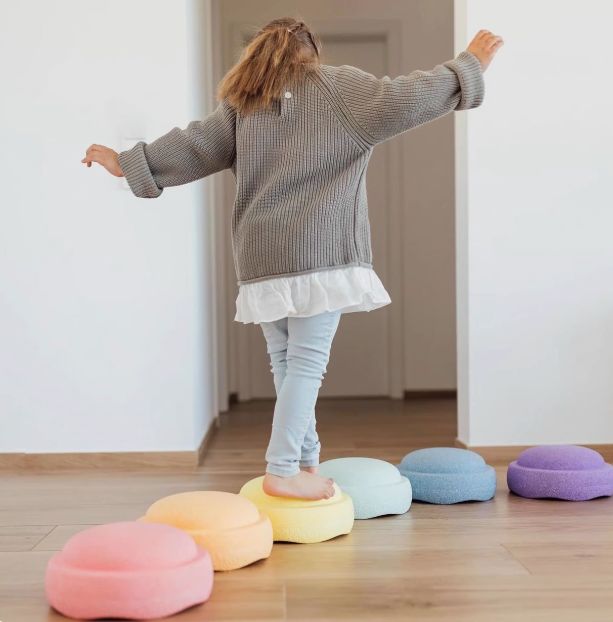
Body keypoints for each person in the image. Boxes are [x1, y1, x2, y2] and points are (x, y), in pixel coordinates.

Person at [81, 17, 503, 500]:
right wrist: (469, 66)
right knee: (306, 365)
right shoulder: (340, 88)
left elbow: (193, 144)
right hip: (318, 253)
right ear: (311, 52)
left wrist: (128, 162)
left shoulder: (243, 103)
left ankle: (305, 461)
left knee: (285, 364)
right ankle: (281, 469)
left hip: (261, 257)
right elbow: (409, 96)